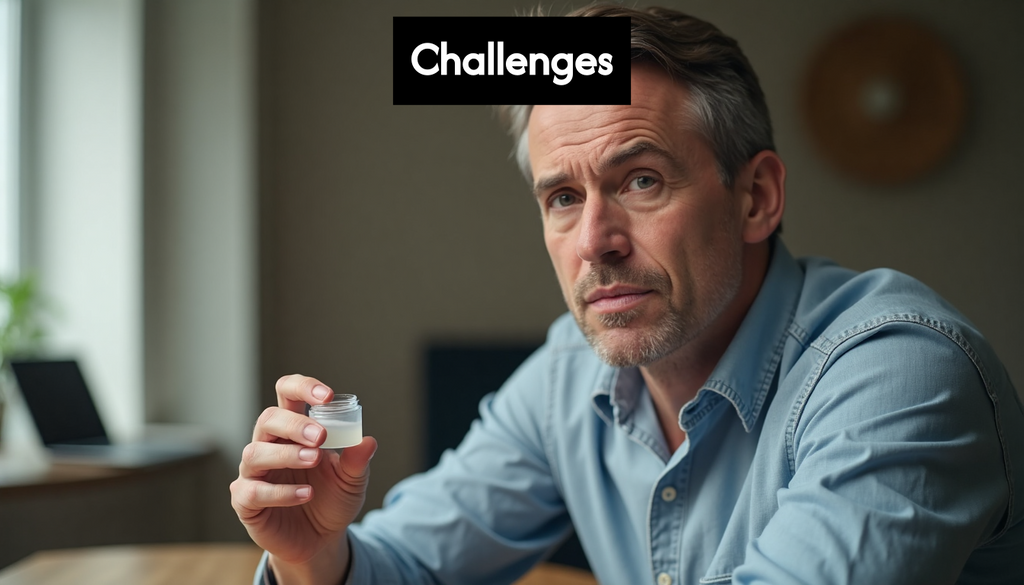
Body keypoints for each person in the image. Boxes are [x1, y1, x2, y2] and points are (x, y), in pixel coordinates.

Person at [230, 5, 1024, 584]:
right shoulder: (568, 375)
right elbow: (407, 564)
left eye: (640, 180)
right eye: (562, 198)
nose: (595, 241)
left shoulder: (900, 376)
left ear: (755, 198)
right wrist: (314, 555)